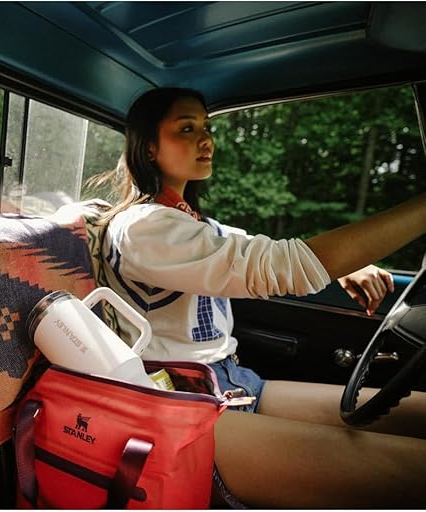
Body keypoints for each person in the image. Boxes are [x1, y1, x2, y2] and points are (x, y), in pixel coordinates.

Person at [93, 87, 426, 508]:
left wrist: (345, 267)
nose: (206, 139)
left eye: (207, 128)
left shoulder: (195, 224)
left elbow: (259, 250)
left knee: (415, 413)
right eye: (187, 129)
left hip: (232, 382)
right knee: (411, 468)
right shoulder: (143, 228)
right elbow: (282, 264)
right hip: (181, 404)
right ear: (149, 147)